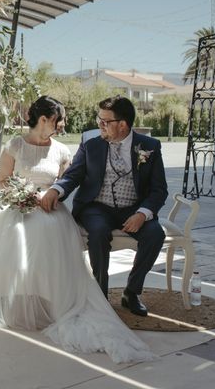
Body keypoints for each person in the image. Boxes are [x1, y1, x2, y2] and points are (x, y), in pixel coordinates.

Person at [0, 96, 155, 364]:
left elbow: (66, 180)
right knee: (18, 234)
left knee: (54, 232)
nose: (61, 127)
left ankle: (72, 299)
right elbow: (3, 181)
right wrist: (24, 194)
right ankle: (19, 299)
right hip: (21, 207)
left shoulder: (61, 150)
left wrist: (51, 195)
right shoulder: (15, 144)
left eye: (104, 121)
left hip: (50, 209)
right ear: (46, 119)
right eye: (59, 121)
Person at [40, 95, 168, 317]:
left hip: (133, 208)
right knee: (98, 232)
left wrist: (143, 213)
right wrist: (56, 190)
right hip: (97, 207)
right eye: (99, 119)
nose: (100, 125)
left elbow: (159, 190)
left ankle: (131, 292)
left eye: (105, 121)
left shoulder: (150, 147)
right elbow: (73, 175)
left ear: (123, 124)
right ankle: (100, 295)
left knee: (155, 234)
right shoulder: (91, 144)